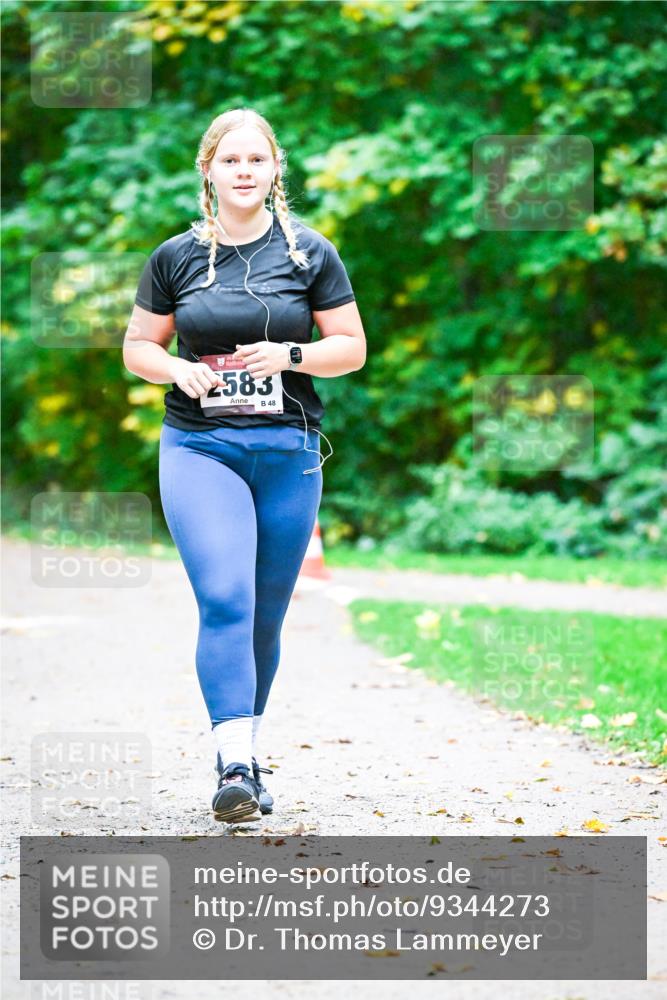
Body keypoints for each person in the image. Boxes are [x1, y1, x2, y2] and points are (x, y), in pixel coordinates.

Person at [123, 107, 366, 823]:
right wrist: (174, 368)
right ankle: (234, 766)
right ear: (208, 169)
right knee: (225, 597)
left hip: (288, 449)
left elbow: (349, 347)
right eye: (230, 160)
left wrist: (289, 354)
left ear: (273, 170)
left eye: (256, 160)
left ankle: (249, 757)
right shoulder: (175, 257)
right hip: (200, 445)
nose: (243, 172)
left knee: (263, 615)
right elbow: (138, 347)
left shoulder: (308, 254)